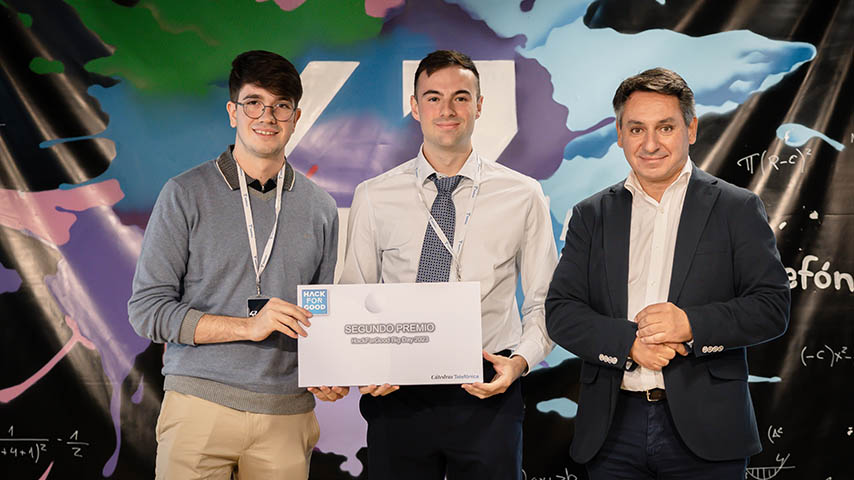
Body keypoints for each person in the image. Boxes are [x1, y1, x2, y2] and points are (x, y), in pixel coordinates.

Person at [545, 67, 790, 479]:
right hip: (611, 430)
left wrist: (690, 323)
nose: (651, 143)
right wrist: (629, 346)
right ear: (620, 134)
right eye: (637, 129)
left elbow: (771, 307)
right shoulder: (591, 215)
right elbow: (562, 311)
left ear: (691, 129)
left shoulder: (736, 208)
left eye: (666, 127)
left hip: (708, 430)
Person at [339, 50, 557, 479]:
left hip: (488, 386)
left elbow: (544, 300)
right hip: (397, 392)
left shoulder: (523, 193)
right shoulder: (373, 195)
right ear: (415, 107)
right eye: (434, 97)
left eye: (461, 97)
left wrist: (519, 362)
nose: (447, 109)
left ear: (479, 105)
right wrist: (363, 366)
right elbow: (353, 296)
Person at [128, 50, 345, 479]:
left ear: (296, 116)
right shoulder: (184, 194)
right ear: (233, 111)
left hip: (286, 415)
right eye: (254, 103)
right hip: (198, 407)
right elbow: (147, 311)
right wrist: (248, 326)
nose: (268, 116)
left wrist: (330, 368)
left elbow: (319, 314)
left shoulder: (321, 207)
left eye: (281, 105)